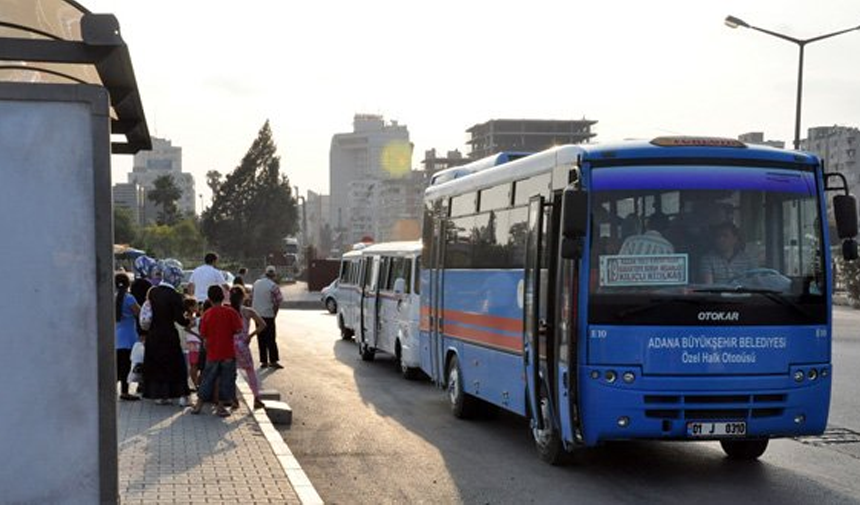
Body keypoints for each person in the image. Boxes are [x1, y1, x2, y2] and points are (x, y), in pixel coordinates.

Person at [141, 264, 190, 405]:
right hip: (168, 334)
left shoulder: (153, 292)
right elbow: (179, 318)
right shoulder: (174, 295)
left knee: (157, 365)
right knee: (175, 365)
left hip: (153, 334)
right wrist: (189, 321)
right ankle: (179, 395)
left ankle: (159, 395)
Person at [192, 285, 244, 417]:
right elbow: (238, 330)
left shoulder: (207, 314)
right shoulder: (231, 312)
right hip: (228, 351)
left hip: (212, 351)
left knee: (207, 378)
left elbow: (203, 334)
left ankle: (199, 405)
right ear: (223, 296)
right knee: (226, 380)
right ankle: (220, 407)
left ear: (209, 298)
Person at [229, 286, 267, 410]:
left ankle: (233, 399)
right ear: (243, 297)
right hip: (243, 345)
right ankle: (256, 398)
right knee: (250, 371)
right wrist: (250, 336)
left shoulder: (228, 311)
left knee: (231, 373)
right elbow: (263, 324)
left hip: (229, 345)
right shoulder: (248, 311)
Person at [252, 265, 284, 369]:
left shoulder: (256, 283)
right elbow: (278, 302)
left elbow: (252, 297)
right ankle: (273, 361)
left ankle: (264, 361)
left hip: (257, 315)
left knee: (261, 338)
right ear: (274, 275)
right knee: (271, 338)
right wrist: (275, 314)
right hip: (268, 315)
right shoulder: (273, 286)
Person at [115, 273, 141, 401]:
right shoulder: (129, 298)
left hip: (115, 336)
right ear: (128, 284)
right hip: (129, 336)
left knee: (117, 366)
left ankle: (111, 390)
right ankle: (125, 392)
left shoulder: (113, 298)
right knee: (126, 366)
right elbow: (139, 312)